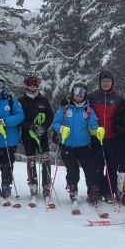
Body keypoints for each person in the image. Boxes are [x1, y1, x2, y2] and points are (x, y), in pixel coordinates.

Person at [51, 82, 102, 210]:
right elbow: (56, 122)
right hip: (67, 145)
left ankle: (92, 192)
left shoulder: (88, 110)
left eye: (82, 93)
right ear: (72, 93)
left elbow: (92, 126)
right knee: (72, 170)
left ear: (85, 95)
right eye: (76, 92)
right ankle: (73, 190)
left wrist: (97, 130)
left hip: (83, 146)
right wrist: (61, 129)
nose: (79, 95)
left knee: (90, 169)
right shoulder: (65, 108)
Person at [87, 69, 124, 202]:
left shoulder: (119, 99)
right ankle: (96, 190)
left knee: (111, 167)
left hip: (112, 138)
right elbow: (79, 103)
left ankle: (109, 191)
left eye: (108, 81)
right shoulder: (92, 96)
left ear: (112, 82)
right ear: (100, 82)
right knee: (97, 166)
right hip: (96, 138)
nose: (106, 83)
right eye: (103, 81)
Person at [18, 72, 54, 199]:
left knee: (45, 159)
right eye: (30, 83)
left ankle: (46, 185)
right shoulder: (21, 101)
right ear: (25, 84)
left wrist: (44, 127)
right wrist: (30, 126)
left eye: (35, 83)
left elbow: (50, 115)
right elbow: (19, 118)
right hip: (28, 135)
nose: (33, 86)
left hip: (41, 135)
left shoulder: (43, 99)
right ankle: (33, 185)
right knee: (31, 160)